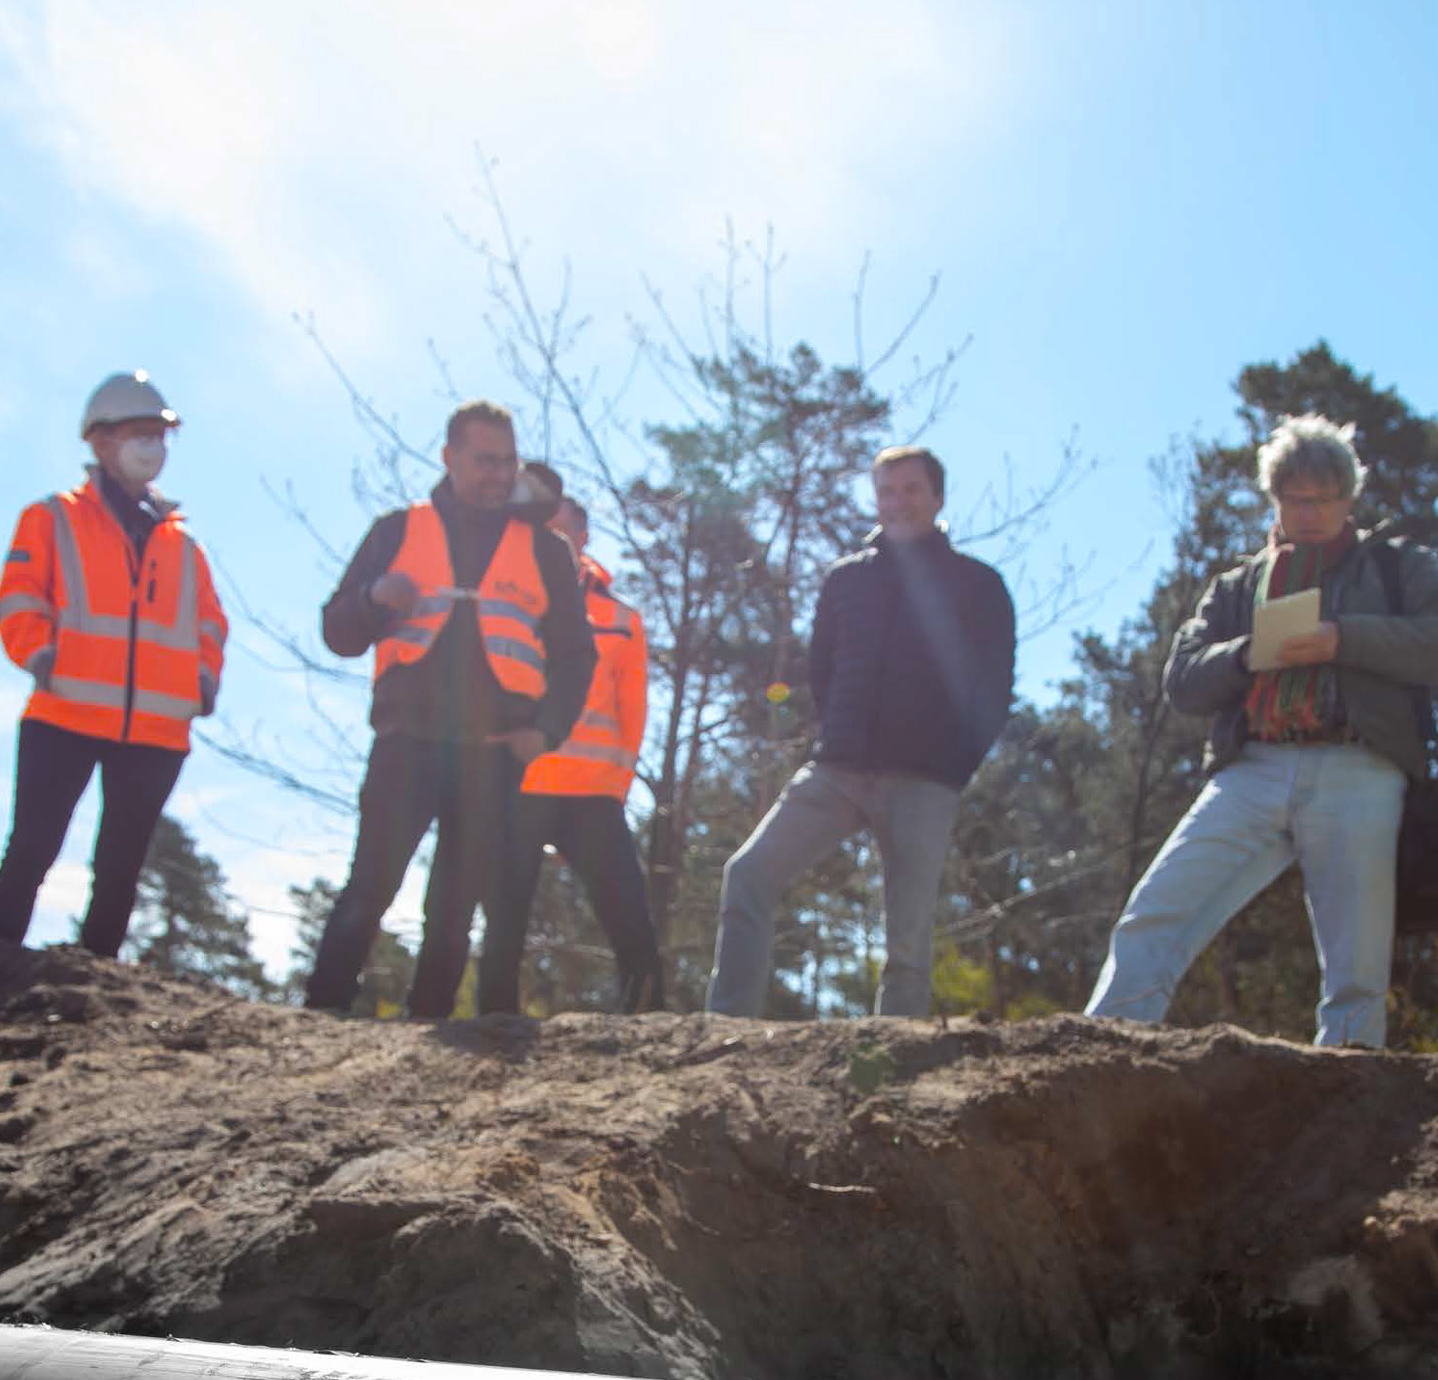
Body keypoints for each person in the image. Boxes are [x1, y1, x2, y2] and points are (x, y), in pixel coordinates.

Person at [1087, 415, 1438, 1046]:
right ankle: (1097, 1055)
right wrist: (1247, 655)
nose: (1312, 512)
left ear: (1350, 498)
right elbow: (1182, 681)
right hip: (1253, 767)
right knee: (1154, 913)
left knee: (1357, 965)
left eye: (1326, 498)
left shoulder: (1399, 567)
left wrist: (1343, 639)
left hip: (1360, 766)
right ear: (1275, 499)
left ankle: (1349, 1095)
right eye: (1297, 499)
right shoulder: (1236, 587)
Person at [302, 403, 594, 1017]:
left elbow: (575, 656)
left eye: (507, 462)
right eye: (485, 460)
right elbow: (337, 632)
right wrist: (375, 599)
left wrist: (546, 731)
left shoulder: (547, 551)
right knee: (368, 890)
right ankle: (319, 1019)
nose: (498, 474)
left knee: (454, 911)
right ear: (449, 457)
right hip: (406, 743)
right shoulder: (395, 531)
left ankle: (428, 1041)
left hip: (493, 756)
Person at [707, 445, 1014, 1019]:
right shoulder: (845, 579)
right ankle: (727, 1029)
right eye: (886, 491)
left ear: (938, 497)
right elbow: (820, 668)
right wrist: (837, 733)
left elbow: (994, 687)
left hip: (926, 781)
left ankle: (891, 1069)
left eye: (911, 490)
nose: (897, 502)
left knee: (907, 939)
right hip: (838, 769)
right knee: (747, 874)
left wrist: (955, 767)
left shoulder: (979, 584)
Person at [0, 372, 228, 957]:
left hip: (158, 727)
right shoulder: (52, 517)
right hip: (63, 710)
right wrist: (39, 653)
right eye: (139, 433)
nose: (152, 446)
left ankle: (95, 979)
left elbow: (212, 622)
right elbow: (18, 594)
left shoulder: (184, 544)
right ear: (98, 440)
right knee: (32, 847)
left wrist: (203, 681)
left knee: (122, 866)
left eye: (160, 434)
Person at [415, 484, 663, 1012]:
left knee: (630, 917)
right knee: (504, 921)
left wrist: (617, 786)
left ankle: (651, 1024)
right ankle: (493, 1024)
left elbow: (634, 712)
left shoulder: (622, 619)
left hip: (593, 793)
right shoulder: (507, 602)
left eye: (564, 528)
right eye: (544, 529)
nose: (554, 539)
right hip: (519, 783)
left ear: (584, 535)